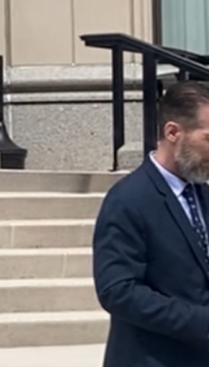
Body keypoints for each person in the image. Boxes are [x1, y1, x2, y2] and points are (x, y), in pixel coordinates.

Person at [93, 80, 209, 366]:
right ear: (173, 132)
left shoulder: (202, 193)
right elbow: (118, 291)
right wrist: (200, 322)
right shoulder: (128, 199)